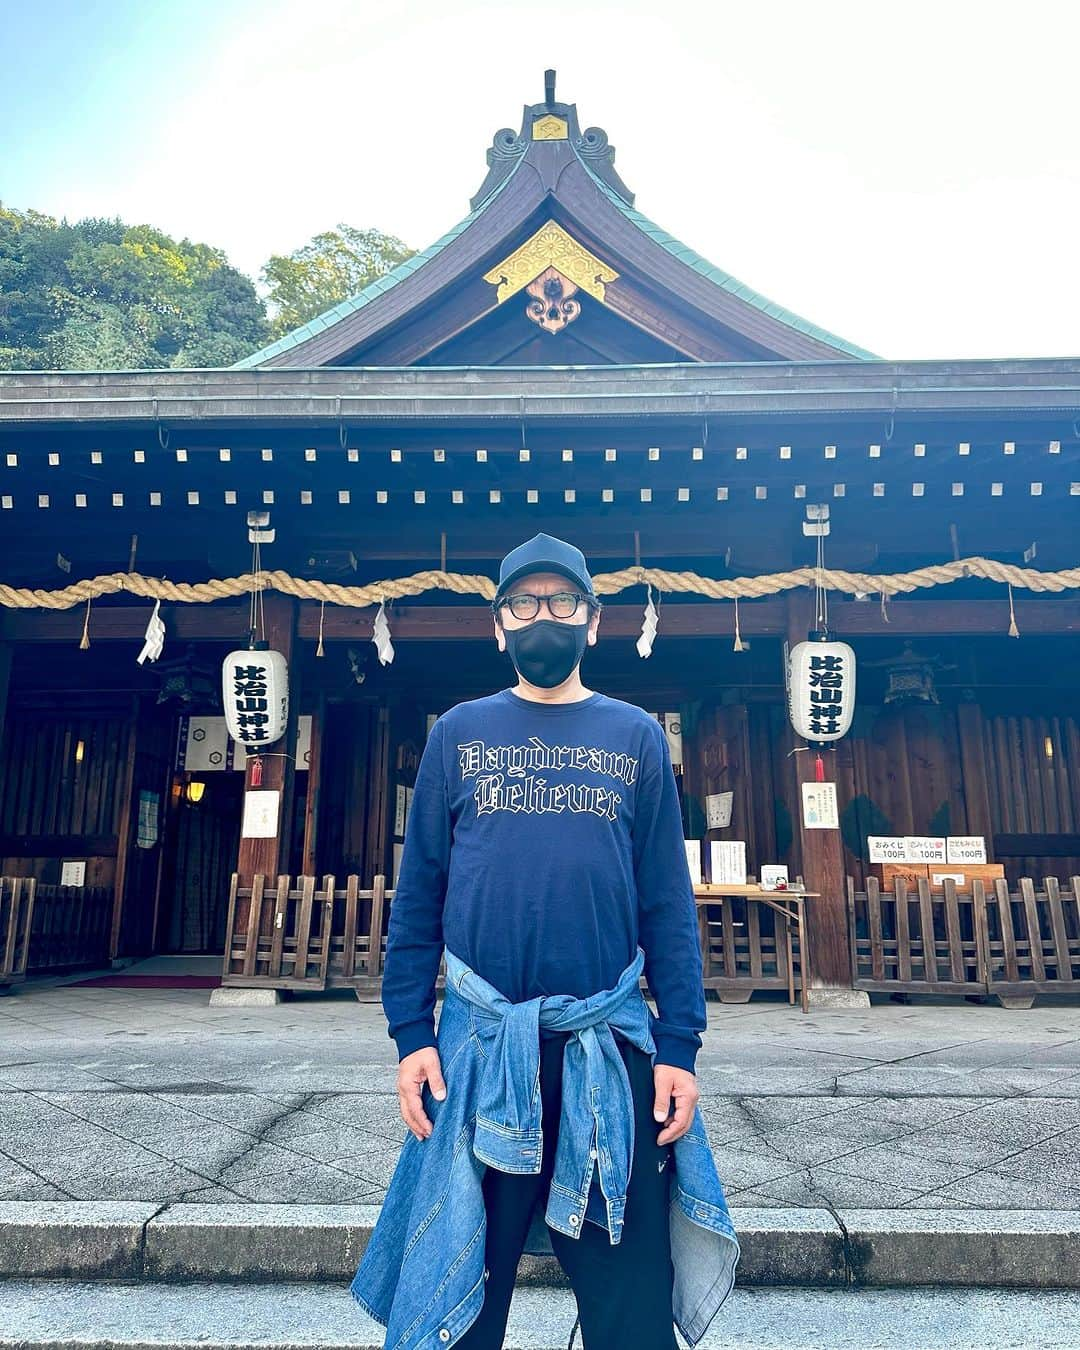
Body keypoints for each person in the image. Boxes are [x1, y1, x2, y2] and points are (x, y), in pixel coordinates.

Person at [350, 531, 739, 1349]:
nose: (542, 618)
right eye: (523, 604)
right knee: (461, 1280)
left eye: (562, 602)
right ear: (498, 626)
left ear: (592, 621)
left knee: (628, 1295)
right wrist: (411, 1034)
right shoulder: (458, 733)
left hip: (607, 1049)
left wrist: (679, 1047)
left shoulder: (634, 736)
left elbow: (667, 906)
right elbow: (419, 894)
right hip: (480, 1046)